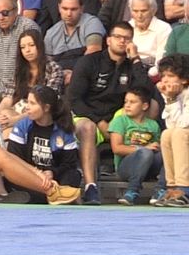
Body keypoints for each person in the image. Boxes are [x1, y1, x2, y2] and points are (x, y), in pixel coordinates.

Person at [68, 21, 157, 204]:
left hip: (119, 117)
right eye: (118, 37)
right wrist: (99, 121)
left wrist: (136, 59)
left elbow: (145, 94)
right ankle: (91, 187)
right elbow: (75, 100)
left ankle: (138, 159)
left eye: (127, 38)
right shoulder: (89, 62)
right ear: (108, 40)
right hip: (87, 115)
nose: (122, 41)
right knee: (87, 127)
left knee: (153, 105)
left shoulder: (132, 65)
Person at [5, 85, 81, 204]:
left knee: (74, 175)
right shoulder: (22, 126)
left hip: (53, 177)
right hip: (29, 176)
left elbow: (69, 164)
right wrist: (38, 175)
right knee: (15, 181)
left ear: (46, 108)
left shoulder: (64, 130)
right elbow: (14, 160)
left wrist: (52, 172)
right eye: (27, 102)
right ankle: (54, 196)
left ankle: (54, 194)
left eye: (32, 103)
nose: (27, 108)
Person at [0, 30, 65, 131]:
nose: (27, 50)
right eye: (23, 47)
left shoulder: (53, 68)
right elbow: (7, 99)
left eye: (31, 45)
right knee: (4, 114)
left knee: (9, 125)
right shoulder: (18, 70)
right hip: (21, 109)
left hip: (45, 111)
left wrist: (15, 120)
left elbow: (46, 102)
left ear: (39, 46)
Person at [108, 85, 163, 206]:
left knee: (165, 153)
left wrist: (156, 147)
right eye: (126, 102)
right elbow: (117, 148)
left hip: (149, 167)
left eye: (132, 102)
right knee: (145, 152)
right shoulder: (120, 121)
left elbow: (156, 147)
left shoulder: (153, 125)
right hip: (126, 167)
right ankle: (132, 191)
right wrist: (143, 149)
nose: (127, 105)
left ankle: (160, 190)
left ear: (144, 106)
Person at [0, 0, 39, 100]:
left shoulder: (28, 27)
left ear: (16, 11)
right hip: (1, 85)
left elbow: (35, 60)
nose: (1, 18)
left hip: (24, 84)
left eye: (5, 13)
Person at [153, 54, 189, 206]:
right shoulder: (173, 94)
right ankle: (173, 187)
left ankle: (185, 189)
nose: (165, 80)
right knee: (167, 134)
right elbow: (170, 126)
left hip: (184, 131)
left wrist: (172, 99)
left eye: (171, 76)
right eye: (163, 76)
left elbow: (183, 125)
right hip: (181, 132)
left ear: (184, 79)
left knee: (179, 134)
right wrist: (170, 98)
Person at [44, 0, 105, 80]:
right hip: (59, 77)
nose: (69, 13)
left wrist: (76, 74)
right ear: (59, 8)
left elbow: (94, 51)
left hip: (88, 75)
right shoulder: (51, 33)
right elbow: (48, 63)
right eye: (65, 8)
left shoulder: (92, 23)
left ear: (81, 9)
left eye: (74, 9)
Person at [129, 0, 171, 67]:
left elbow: (160, 62)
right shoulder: (128, 27)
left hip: (152, 71)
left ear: (153, 11)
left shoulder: (164, 28)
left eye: (144, 11)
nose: (139, 16)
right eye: (135, 11)